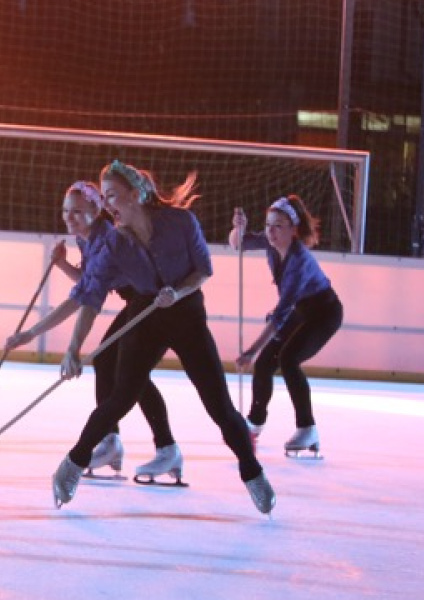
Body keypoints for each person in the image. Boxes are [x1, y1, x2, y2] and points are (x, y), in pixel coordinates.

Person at [27, 160, 273, 515]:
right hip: (146, 314)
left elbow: (203, 269)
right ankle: (72, 465)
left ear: (135, 194)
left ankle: (253, 474)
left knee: (219, 406)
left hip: (186, 315)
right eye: (105, 197)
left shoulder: (180, 222)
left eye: (113, 196)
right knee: (120, 397)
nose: (108, 205)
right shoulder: (114, 243)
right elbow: (90, 295)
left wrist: (178, 292)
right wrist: (72, 349)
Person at [7, 181, 183, 485]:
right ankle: (112, 441)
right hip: (138, 303)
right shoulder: (87, 239)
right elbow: (88, 283)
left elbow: (87, 298)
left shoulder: (108, 239)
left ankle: (165, 447)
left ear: (97, 209)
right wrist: (62, 264)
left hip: (156, 304)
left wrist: (66, 344)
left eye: (77, 211)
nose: (69, 218)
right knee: (108, 363)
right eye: (65, 211)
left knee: (130, 373)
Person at [229, 196, 342, 458]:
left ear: (294, 229)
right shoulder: (271, 245)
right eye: (268, 224)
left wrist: (250, 350)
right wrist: (239, 228)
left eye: (278, 225)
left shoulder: (299, 261)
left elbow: (280, 314)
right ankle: (254, 423)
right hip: (300, 311)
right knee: (267, 361)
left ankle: (307, 428)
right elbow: (238, 244)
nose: (271, 231)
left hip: (324, 313)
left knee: (289, 360)